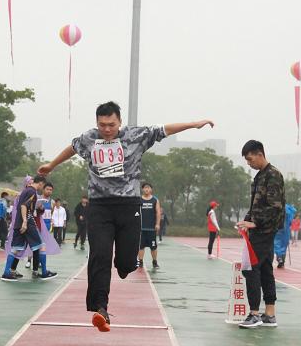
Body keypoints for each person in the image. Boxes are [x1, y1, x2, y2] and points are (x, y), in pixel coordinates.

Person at [39, 100, 214, 332]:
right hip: (100, 206)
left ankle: (125, 265)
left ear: (119, 122)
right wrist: (51, 165)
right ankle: (100, 308)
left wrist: (194, 124)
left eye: (111, 125)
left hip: (129, 205)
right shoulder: (90, 138)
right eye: (102, 125)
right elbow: (72, 147)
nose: (107, 130)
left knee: (126, 263)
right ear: (97, 123)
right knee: (99, 255)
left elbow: (165, 130)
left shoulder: (136, 135)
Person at [236, 140, 285, 329]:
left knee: (250, 269)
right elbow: (255, 206)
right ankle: (269, 314)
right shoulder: (260, 176)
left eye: (250, 159)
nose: (249, 164)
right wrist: (246, 221)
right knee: (265, 269)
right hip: (258, 229)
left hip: (265, 230)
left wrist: (255, 222)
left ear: (259, 154)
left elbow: (275, 207)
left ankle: (254, 313)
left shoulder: (273, 175)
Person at [0, 175, 57, 281]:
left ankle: (6, 273)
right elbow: (23, 206)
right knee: (41, 246)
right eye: (43, 186)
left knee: (16, 249)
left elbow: (22, 205)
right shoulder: (32, 192)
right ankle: (44, 272)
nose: (42, 188)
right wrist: (25, 222)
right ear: (40, 183)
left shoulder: (24, 192)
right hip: (28, 223)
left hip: (18, 223)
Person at [137, 182, 161, 268]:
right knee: (140, 246)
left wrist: (157, 224)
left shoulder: (155, 200)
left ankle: (154, 261)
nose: (147, 189)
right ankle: (140, 262)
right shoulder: (139, 199)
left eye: (148, 188)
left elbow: (158, 213)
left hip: (151, 228)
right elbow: (135, 212)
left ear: (151, 189)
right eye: (145, 188)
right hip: (141, 228)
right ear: (142, 189)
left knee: (153, 247)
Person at [274, 204, 295, 269]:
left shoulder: (276, 208)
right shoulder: (289, 210)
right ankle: (282, 261)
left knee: (277, 244)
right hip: (286, 230)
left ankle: (279, 258)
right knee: (284, 245)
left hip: (278, 229)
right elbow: (291, 222)